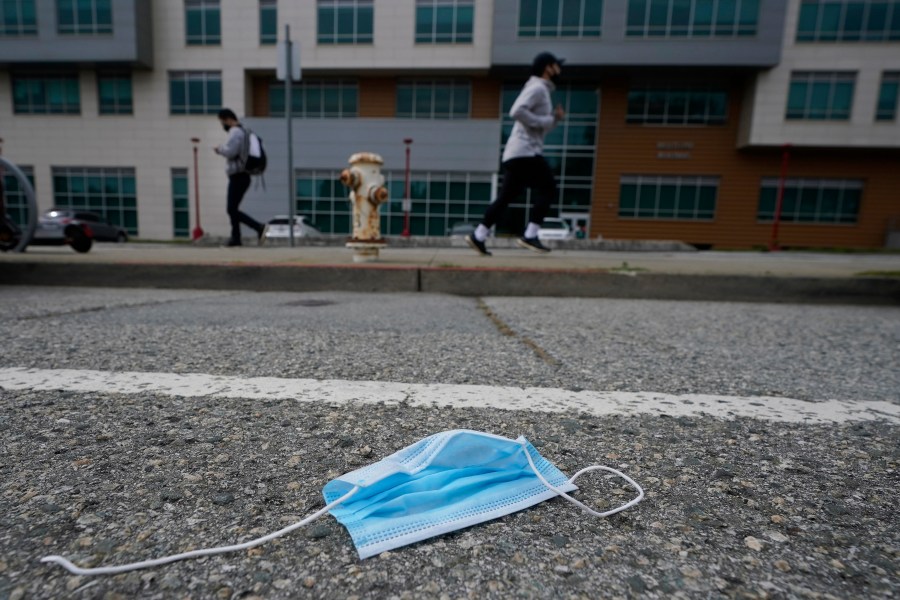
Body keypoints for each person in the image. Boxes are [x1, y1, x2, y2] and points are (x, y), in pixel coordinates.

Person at [467, 51, 565, 256]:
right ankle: (530, 235)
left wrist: (554, 119)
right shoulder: (538, 87)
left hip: (518, 152)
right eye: (557, 65)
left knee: (506, 197)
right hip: (525, 152)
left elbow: (538, 125)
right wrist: (548, 120)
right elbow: (516, 111)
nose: (559, 70)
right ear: (548, 67)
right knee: (548, 188)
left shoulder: (541, 89)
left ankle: (479, 235)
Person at [214, 108, 265, 247]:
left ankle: (258, 227)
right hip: (242, 176)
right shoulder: (244, 130)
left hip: (238, 176)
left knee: (231, 209)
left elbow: (231, 152)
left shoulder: (235, 132)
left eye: (222, 122)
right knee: (233, 209)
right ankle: (236, 238)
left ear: (228, 119)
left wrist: (219, 149)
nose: (222, 125)